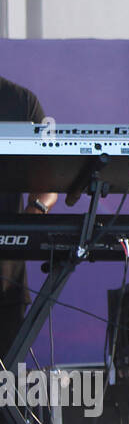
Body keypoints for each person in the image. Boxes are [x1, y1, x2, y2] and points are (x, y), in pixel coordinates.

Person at [0, 75, 57, 351]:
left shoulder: (21, 102)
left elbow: (50, 183)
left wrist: (35, 212)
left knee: (5, 390)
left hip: (6, 282)